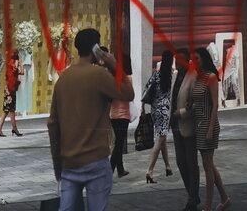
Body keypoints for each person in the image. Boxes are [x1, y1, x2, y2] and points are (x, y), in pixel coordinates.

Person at [48, 28, 134, 211]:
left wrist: (57, 164)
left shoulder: (63, 79)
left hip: (69, 161)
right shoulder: (99, 75)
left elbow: (53, 124)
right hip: (95, 159)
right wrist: (114, 65)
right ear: (96, 48)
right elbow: (129, 93)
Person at [186, 46, 228, 211]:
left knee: (207, 166)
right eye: (192, 59)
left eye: (197, 59)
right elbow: (197, 99)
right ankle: (224, 198)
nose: (194, 62)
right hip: (198, 124)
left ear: (204, 59)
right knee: (209, 164)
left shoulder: (210, 77)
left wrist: (210, 129)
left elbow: (215, 105)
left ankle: (208, 206)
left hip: (208, 124)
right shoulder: (198, 78)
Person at [171, 51, 201, 211]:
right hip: (175, 126)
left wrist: (182, 112)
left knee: (191, 163)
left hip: (188, 126)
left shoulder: (193, 76)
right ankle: (192, 195)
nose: (177, 63)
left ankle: (192, 199)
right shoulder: (176, 76)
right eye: (176, 60)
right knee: (180, 162)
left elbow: (197, 102)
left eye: (180, 60)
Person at [142, 53, 174, 183]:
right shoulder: (170, 75)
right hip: (164, 111)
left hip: (154, 110)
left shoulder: (156, 74)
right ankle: (149, 171)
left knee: (162, 138)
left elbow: (146, 89)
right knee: (160, 139)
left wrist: (143, 106)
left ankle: (168, 167)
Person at [109, 52, 134, 177]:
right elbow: (130, 96)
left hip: (113, 114)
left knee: (118, 142)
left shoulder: (112, 78)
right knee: (119, 144)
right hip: (123, 114)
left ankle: (120, 169)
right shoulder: (127, 78)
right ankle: (110, 170)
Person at [0, 49, 22, 137]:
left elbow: (20, 72)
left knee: (7, 110)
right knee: (10, 109)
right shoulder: (12, 63)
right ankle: (14, 129)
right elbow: (19, 70)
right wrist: (20, 62)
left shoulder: (9, 63)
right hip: (11, 89)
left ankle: (0, 128)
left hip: (9, 88)